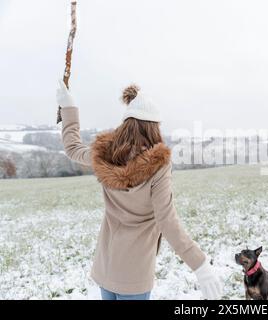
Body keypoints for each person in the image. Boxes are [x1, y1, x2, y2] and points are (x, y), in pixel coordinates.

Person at [56, 80, 222, 300]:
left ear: (126, 125)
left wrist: (68, 107)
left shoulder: (103, 154)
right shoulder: (159, 165)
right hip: (134, 276)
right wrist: (199, 264)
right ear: (153, 127)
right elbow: (167, 221)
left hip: (106, 266)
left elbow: (73, 147)